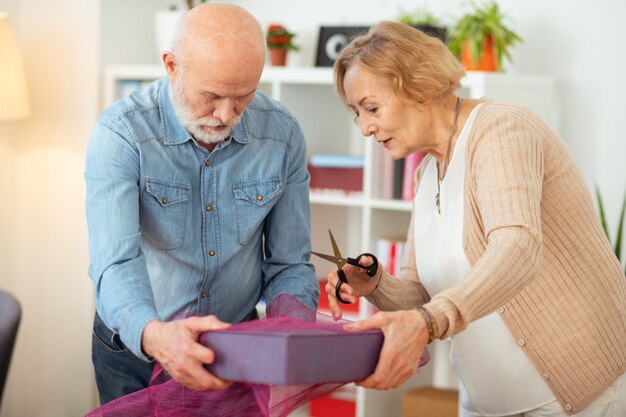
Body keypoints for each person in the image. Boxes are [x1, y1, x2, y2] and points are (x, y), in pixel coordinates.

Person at [324, 21, 626, 417]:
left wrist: (428, 322)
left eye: (372, 108)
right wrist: (375, 282)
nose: (365, 128)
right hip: (487, 404)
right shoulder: (426, 172)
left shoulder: (501, 130)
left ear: (420, 86)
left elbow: (517, 248)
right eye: (356, 114)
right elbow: (420, 291)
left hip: (576, 397)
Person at [85, 4, 318, 404]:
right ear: (172, 65)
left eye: (244, 96)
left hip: (236, 350)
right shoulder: (121, 134)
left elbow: (290, 263)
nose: (226, 114)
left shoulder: (283, 135)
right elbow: (115, 263)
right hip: (136, 349)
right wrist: (157, 337)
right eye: (211, 96)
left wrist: (291, 335)